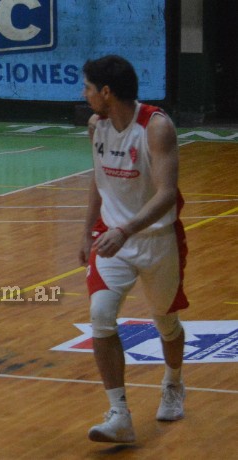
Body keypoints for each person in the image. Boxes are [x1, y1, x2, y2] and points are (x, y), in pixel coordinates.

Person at [78, 55, 188, 444]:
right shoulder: (97, 126)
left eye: (88, 87)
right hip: (112, 239)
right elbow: (98, 180)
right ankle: (119, 413)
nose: (84, 94)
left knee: (165, 320)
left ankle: (173, 381)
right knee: (101, 317)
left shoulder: (156, 127)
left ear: (106, 92)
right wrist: (88, 230)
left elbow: (166, 194)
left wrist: (126, 229)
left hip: (155, 239)